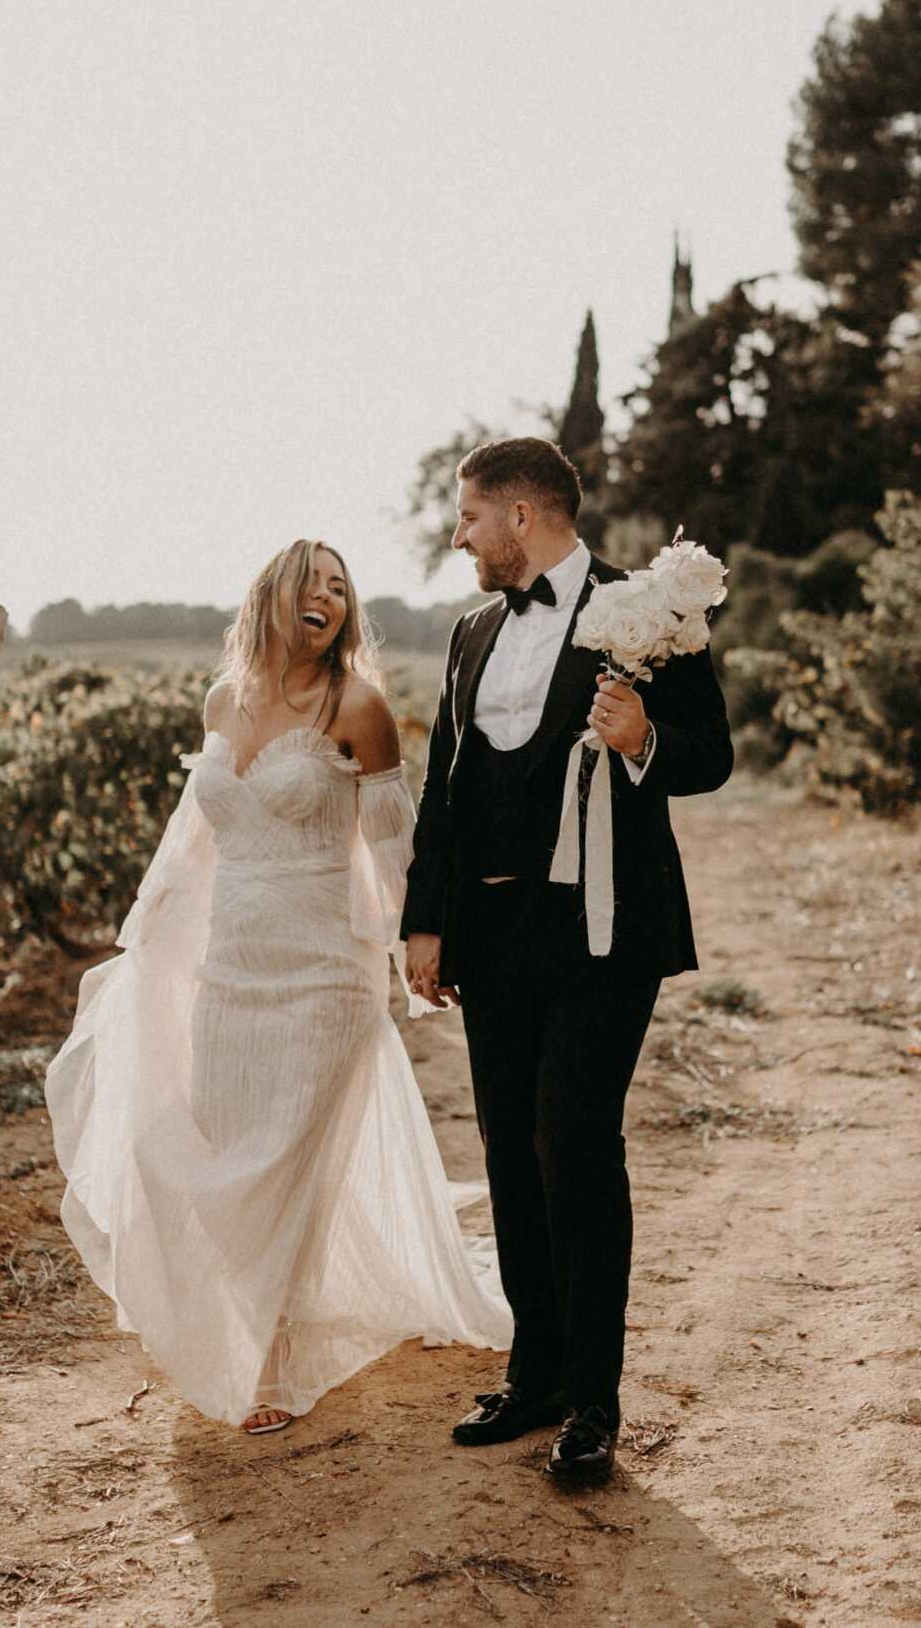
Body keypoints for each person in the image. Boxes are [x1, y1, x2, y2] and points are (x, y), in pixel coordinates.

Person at [43, 539, 508, 1435]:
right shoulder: (225, 701)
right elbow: (197, 834)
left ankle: (272, 1354)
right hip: (233, 965)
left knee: (286, 1158)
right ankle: (239, 1313)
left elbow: (393, 844)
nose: (328, 598)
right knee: (222, 1145)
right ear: (273, 597)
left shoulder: (358, 705)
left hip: (324, 965)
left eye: (341, 587)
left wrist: (417, 945)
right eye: (312, 582)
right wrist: (150, 931)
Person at [401, 438, 732, 1485]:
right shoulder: (469, 634)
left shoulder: (650, 609)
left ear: (520, 518)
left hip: (602, 931)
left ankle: (593, 1399)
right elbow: (445, 792)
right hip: (489, 941)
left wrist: (642, 738)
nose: (457, 536)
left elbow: (712, 754)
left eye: (467, 519)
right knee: (507, 1152)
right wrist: (424, 923)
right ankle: (534, 1372)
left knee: (573, 1144)